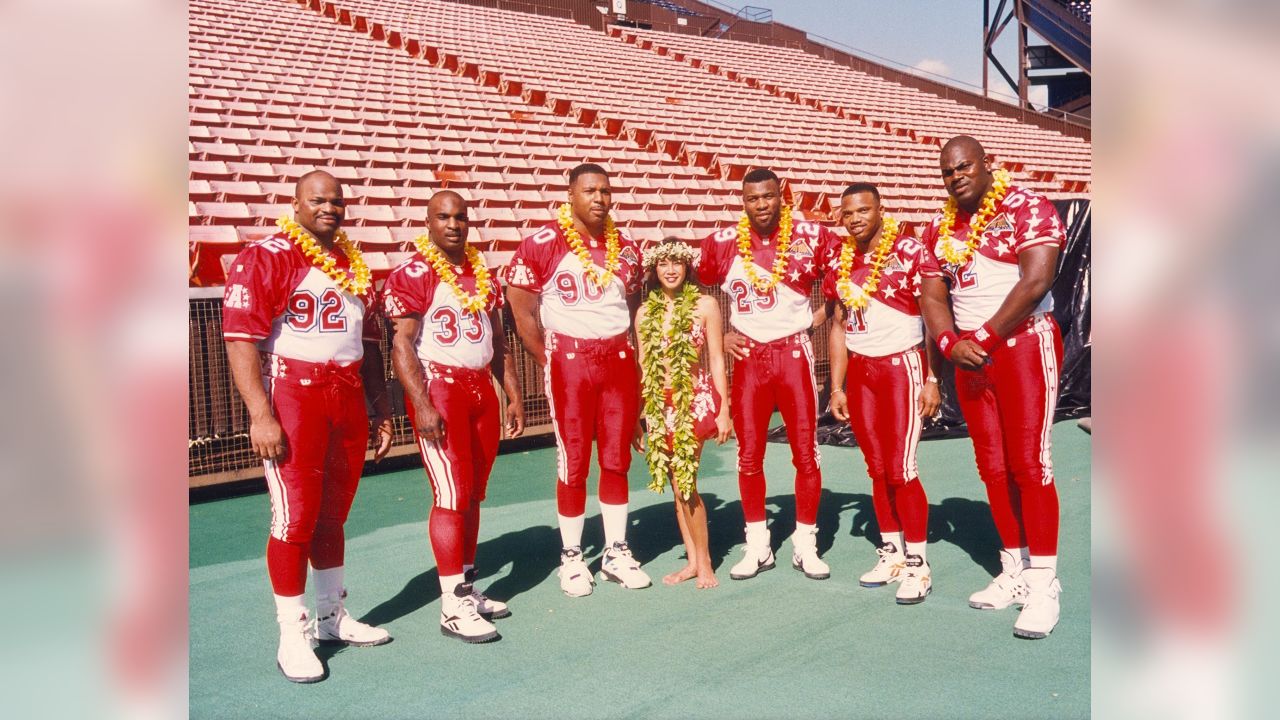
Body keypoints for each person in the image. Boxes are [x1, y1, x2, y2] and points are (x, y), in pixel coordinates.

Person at [222, 170, 394, 683]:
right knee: (294, 517)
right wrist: (260, 413)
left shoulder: (351, 260)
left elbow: (367, 344)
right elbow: (240, 338)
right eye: (318, 200)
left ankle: (331, 616)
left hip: (344, 393)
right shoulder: (270, 255)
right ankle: (291, 631)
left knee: (332, 513)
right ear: (295, 204)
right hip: (295, 391)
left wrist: (379, 406)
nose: (329, 209)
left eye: (337, 201)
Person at [917, 136, 1067, 639]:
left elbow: (1037, 280)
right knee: (993, 466)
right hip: (970, 357)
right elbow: (932, 294)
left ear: (987, 166)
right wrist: (947, 340)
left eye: (963, 166)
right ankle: (1015, 568)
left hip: (1021, 344)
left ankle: (1045, 582)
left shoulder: (1027, 205)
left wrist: (980, 336)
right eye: (947, 171)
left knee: (1029, 462)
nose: (956, 176)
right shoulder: (938, 226)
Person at [382, 191, 525, 643]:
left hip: (480, 385)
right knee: (450, 491)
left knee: (473, 493)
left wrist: (514, 394)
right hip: (441, 386)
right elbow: (402, 343)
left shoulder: (482, 271)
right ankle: (451, 604)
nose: (453, 224)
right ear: (427, 222)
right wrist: (422, 402)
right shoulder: (415, 273)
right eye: (442, 216)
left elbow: (499, 341)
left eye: (460, 217)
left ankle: (466, 584)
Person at [504, 163, 651, 596]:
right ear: (571, 195)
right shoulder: (543, 243)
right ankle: (571, 556)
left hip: (617, 358)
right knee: (573, 460)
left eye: (606, 191)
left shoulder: (627, 247)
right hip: (570, 358)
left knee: (616, 457)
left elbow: (633, 302)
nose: (600, 199)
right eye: (590, 191)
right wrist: (549, 357)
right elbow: (520, 310)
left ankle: (615, 551)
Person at [696, 167, 839, 581]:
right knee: (748, 454)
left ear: (782, 197)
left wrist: (817, 318)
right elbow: (698, 286)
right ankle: (757, 544)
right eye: (753, 198)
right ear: (743, 201)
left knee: (806, 453)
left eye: (769, 197)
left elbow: (841, 278)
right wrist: (719, 334)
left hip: (793, 355)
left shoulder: (810, 236)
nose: (761, 205)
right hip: (750, 359)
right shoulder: (722, 243)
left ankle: (805, 543)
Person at [823, 183, 943, 604]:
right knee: (876, 467)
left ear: (880, 210)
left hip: (901, 367)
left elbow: (933, 315)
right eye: (848, 213)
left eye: (863, 210)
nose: (855, 219)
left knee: (902, 467)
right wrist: (836, 386)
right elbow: (837, 325)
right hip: (861, 370)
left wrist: (933, 377)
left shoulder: (909, 252)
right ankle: (891, 551)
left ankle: (918, 563)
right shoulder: (840, 259)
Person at [634, 238, 732, 589]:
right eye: (663, 264)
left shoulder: (705, 304)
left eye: (677, 262)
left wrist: (724, 409)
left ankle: (705, 563)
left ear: (687, 266)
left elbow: (718, 359)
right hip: (660, 405)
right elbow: (644, 366)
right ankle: (692, 561)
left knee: (686, 482)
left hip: (694, 399)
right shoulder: (645, 312)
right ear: (654, 269)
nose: (671, 269)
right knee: (677, 488)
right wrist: (643, 416)